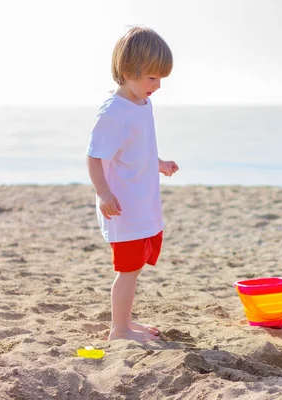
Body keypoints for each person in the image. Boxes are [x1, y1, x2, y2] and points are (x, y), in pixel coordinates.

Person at [86, 27, 179, 342]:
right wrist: (103, 193)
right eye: (152, 78)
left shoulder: (142, 103)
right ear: (127, 72)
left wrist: (159, 164)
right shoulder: (113, 113)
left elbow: (138, 152)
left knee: (134, 268)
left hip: (143, 203)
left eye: (160, 78)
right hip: (122, 207)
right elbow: (95, 157)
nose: (158, 85)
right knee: (126, 270)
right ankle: (120, 329)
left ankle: (124, 321)